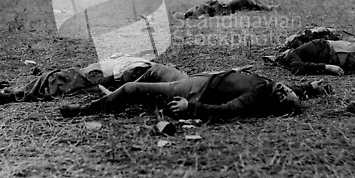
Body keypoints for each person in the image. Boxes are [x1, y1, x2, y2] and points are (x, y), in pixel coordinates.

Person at [60, 69, 329, 120]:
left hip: (195, 91)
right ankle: (116, 95)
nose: (284, 90)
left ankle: (86, 110)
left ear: (275, 104)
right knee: (156, 70)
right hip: (200, 78)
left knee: (132, 89)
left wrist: (191, 108)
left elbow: (228, 111)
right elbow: (290, 89)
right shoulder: (271, 88)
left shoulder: (259, 95)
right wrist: (310, 87)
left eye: (284, 97)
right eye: (287, 91)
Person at [0, 54, 187, 104]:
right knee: (60, 77)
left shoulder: (150, 72)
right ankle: (17, 92)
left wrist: (110, 82)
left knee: (60, 80)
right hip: (104, 70)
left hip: (103, 76)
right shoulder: (154, 67)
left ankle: (15, 96)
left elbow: (132, 84)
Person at [184, 0, 276, 19]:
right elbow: (209, 10)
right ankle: (268, 8)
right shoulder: (198, 10)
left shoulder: (198, 10)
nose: (191, 8)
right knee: (244, 0)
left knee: (249, 2)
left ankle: (267, 7)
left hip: (224, 7)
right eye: (189, 10)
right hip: (224, 8)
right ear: (190, 12)